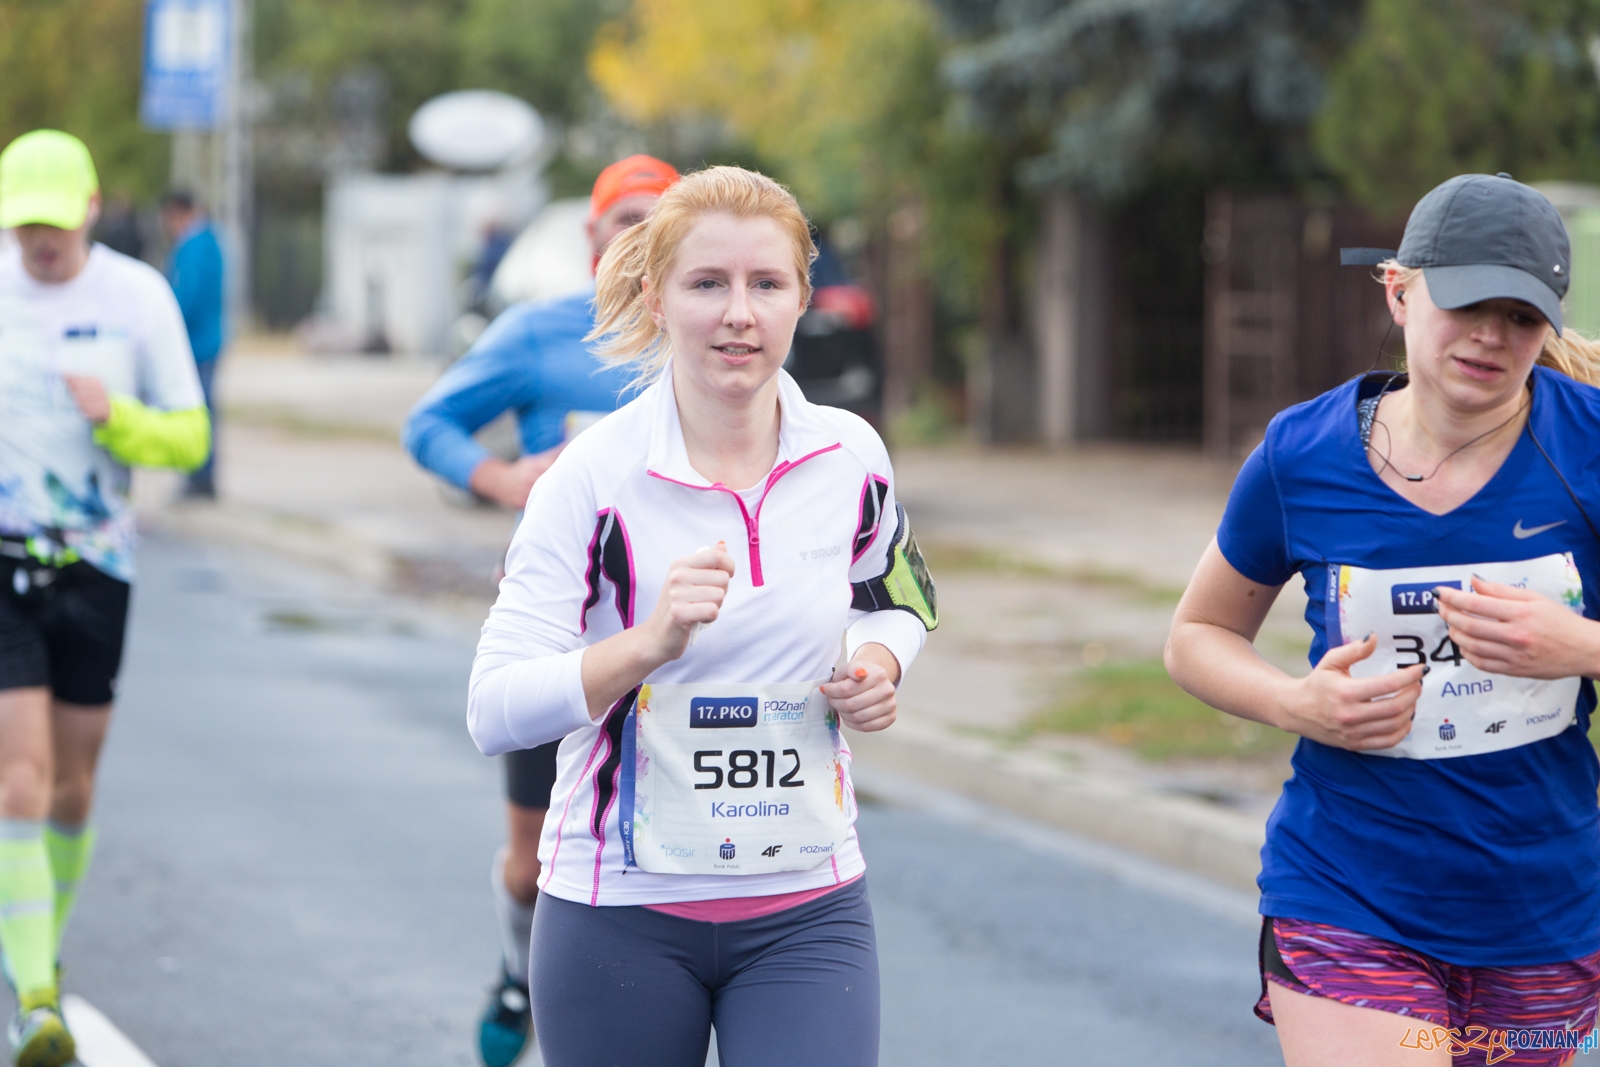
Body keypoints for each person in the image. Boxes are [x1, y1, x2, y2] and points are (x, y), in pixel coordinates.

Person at [465, 165, 938, 1067]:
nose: (739, 313)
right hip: (618, 913)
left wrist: (879, 667)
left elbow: (898, 600)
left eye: (767, 284)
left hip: (808, 906)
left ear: (802, 297)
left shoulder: (851, 456)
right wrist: (646, 644)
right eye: (708, 284)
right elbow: (494, 707)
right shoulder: (591, 476)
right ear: (656, 295)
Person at [1166, 173, 1600, 1067]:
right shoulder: (1303, 452)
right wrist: (1297, 704)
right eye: (1465, 302)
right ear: (1400, 290)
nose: (1490, 335)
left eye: (1519, 317)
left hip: (1542, 909)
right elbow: (1196, 637)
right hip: (1347, 890)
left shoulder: (1588, 443)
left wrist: (1579, 647)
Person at [402, 154, 679, 1067]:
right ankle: (522, 971)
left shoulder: (706, 336)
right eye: (621, 220)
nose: (636, 236)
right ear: (593, 237)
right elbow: (429, 422)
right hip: (562, 637)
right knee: (534, 860)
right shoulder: (537, 334)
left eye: (656, 220)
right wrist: (500, 477)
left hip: (684, 645)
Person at [0, 130, 210, 1067]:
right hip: (4, 561)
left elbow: (191, 438)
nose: (38, 242)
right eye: (22, 224)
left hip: (98, 567)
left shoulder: (137, 297)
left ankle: (37, 945)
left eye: (52, 221)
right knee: (20, 776)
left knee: (75, 788)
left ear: (89, 209)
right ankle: (37, 990)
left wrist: (118, 419)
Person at [159, 189, 225, 499]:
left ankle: (200, 477)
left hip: (197, 342)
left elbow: (187, 295)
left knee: (197, 411)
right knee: (204, 410)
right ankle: (202, 476)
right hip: (206, 339)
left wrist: (166, 323)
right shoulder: (208, 240)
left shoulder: (195, 247)